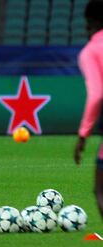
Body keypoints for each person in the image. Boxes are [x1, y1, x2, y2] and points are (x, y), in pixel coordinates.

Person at [74, 0, 103, 218]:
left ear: (89, 22)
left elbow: (96, 95)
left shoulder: (91, 51)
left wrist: (83, 135)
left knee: (100, 190)